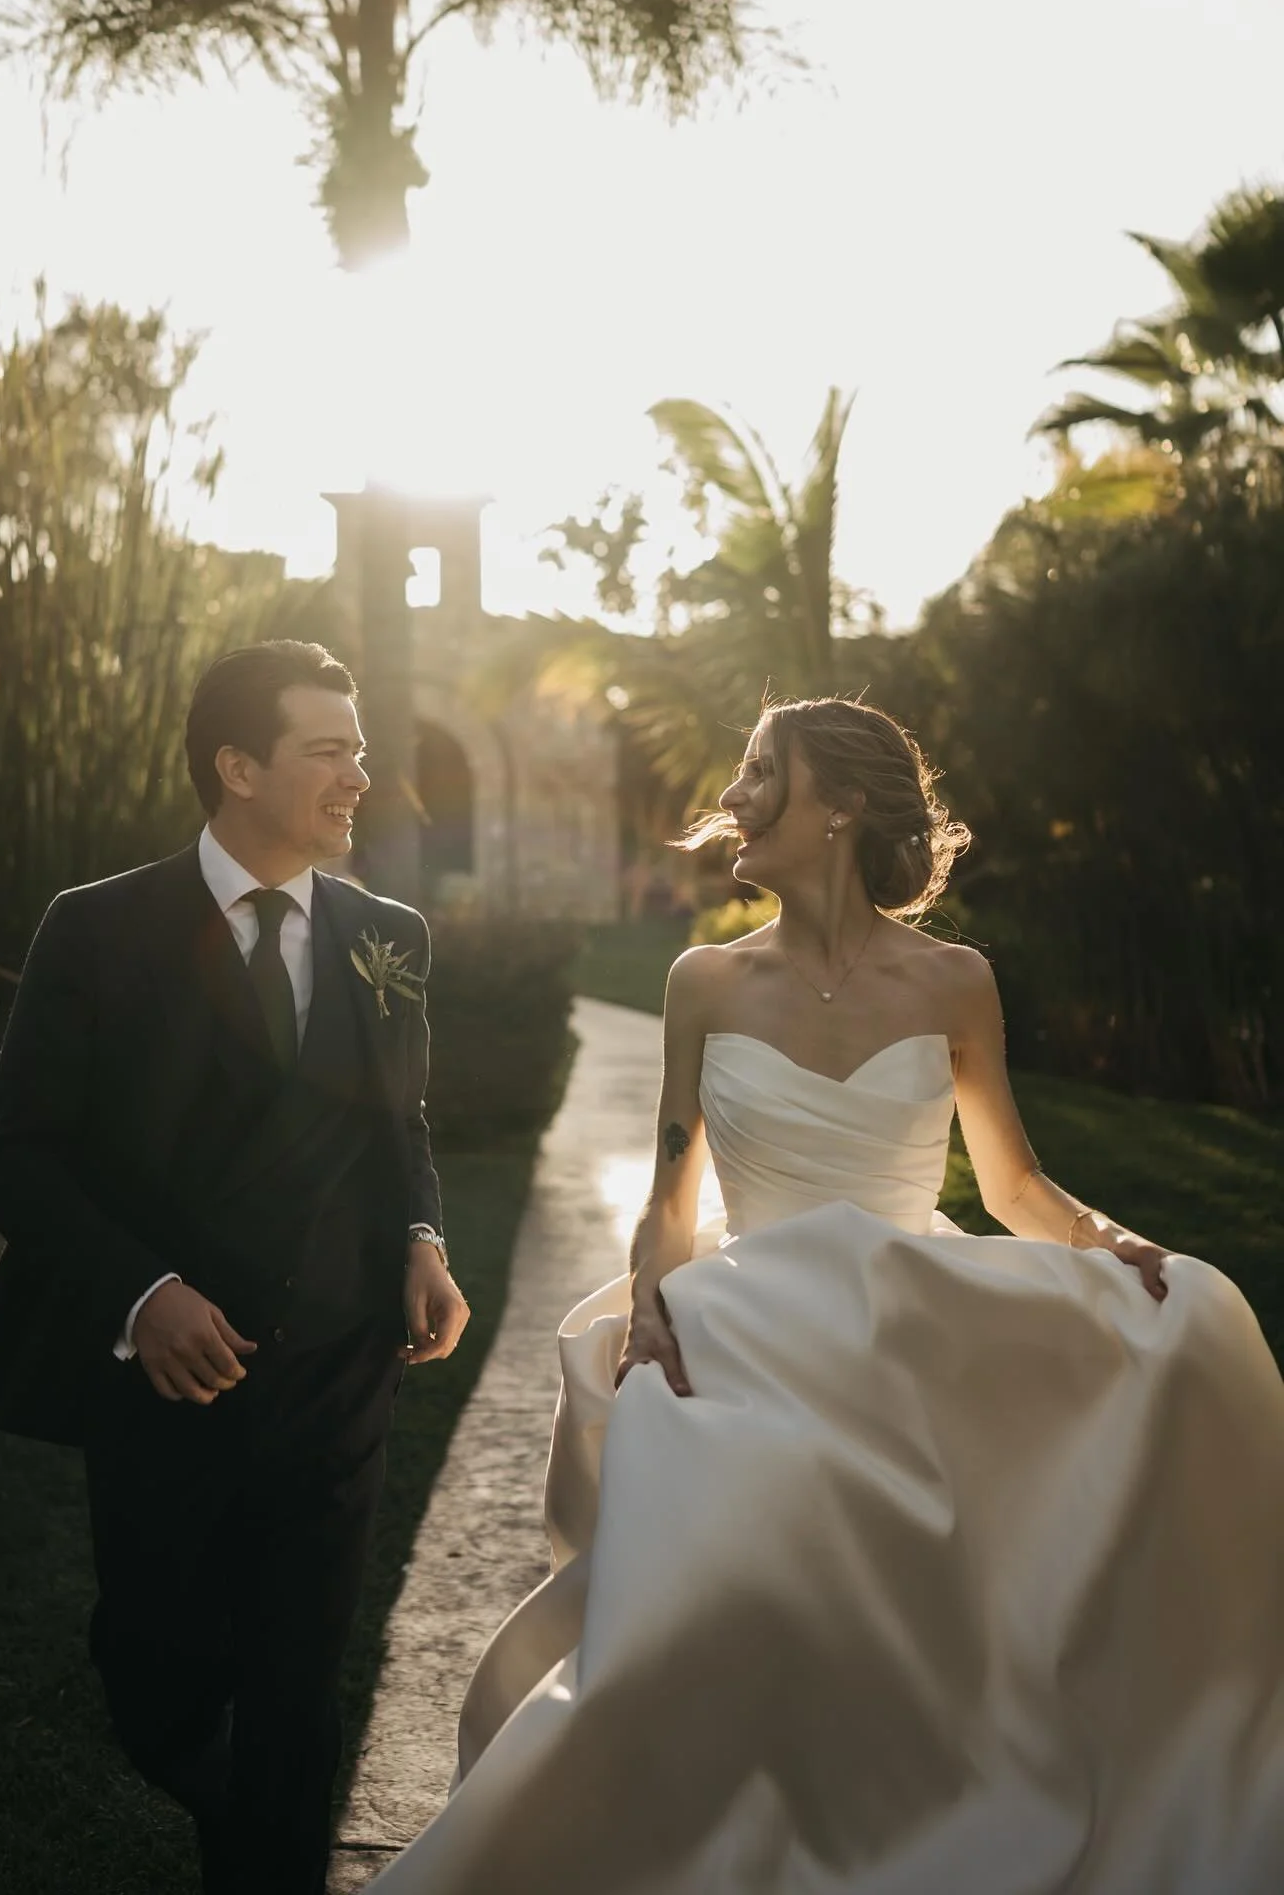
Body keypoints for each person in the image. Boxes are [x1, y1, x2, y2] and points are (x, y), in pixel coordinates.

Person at [365, 696, 1284, 1894]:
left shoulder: (957, 981)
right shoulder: (703, 979)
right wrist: (649, 1299)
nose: (734, 796)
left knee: (1196, 1313)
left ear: (843, 803)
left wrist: (1117, 1242)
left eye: (761, 773)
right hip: (754, 1314)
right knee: (732, 1531)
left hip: (913, 1318)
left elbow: (1011, 1181)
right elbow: (668, 1192)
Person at [0, 640, 470, 1894]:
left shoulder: (387, 935)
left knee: (297, 1687)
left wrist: (423, 1235)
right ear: (237, 765)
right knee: (157, 1672)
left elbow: (402, 1126)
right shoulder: (98, 926)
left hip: (342, 1372)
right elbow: (17, 1155)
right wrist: (141, 1292)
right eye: (328, 750)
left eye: (360, 749)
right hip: (168, 1387)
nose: (360, 775)